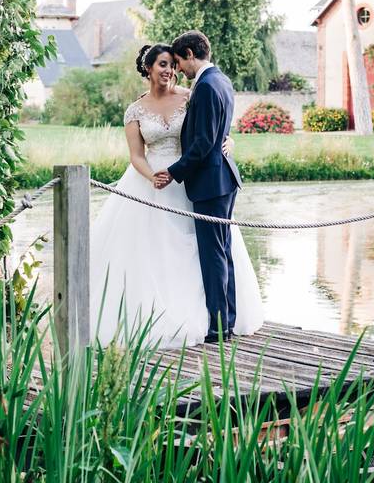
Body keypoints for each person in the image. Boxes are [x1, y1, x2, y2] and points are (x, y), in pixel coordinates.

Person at [88, 42, 263, 349]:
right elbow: (136, 155)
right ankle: (162, 315)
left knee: (204, 250)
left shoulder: (190, 96)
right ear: (149, 68)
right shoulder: (135, 110)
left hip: (189, 181)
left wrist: (228, 141)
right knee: (154, 251)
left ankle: (216, 319)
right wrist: (150, 175)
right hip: (152, 183)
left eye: (172, 64)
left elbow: (210, 126)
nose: (170, 71)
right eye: (163, 65)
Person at [154, 31, 250, 342]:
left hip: (210, 181)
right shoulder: (221, 80)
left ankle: (219, 328)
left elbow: (205, 141)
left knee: (213, 255)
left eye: (179, 61)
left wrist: (174, 171)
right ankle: (228, 321)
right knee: (222, 252)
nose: (179, 68)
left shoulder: (207, 86)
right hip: (221, 178)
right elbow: (217, 130)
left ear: (191, 54)